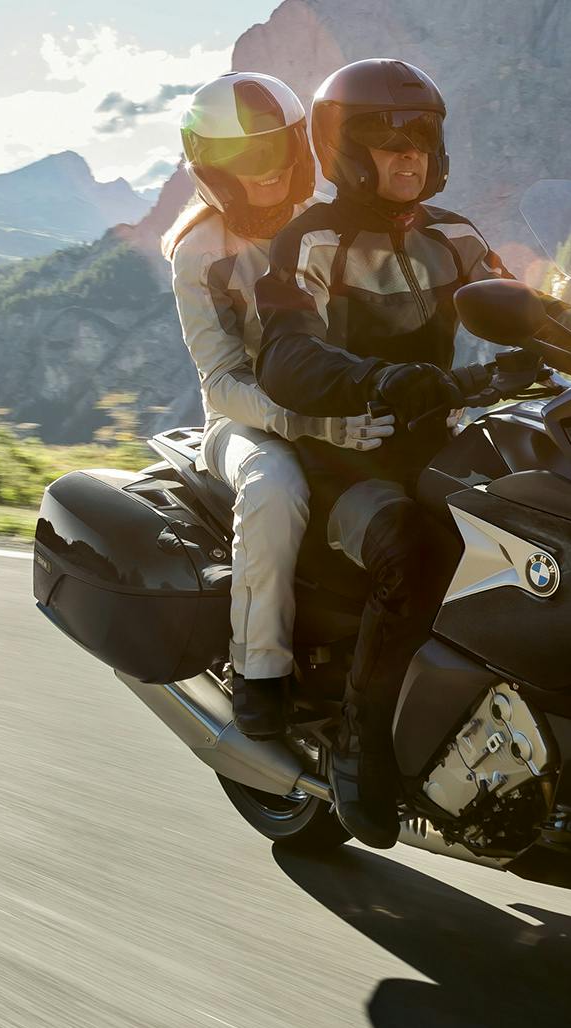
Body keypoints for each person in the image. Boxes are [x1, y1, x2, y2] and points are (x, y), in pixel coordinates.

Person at [254, 58, 538, 847]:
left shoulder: (456, 234)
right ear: (345, 150)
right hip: (345, 465)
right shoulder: (311, 240)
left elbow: (530, 307)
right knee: (414, 552)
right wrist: (381, 380)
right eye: (387, 140)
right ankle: (359, 737)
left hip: (439, 447)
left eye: (421, 136)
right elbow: (287, 359)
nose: (409, 154)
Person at [163, 72, 395, 741]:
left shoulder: (333, 221)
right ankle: (258, 675)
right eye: (249, 158)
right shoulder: (199, 254)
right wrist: (308, 424)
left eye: (281, 149)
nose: (270, 172)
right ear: (212, 168)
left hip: (343, 408)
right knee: (274, 484)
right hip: (245, 424)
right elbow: (221, 384)